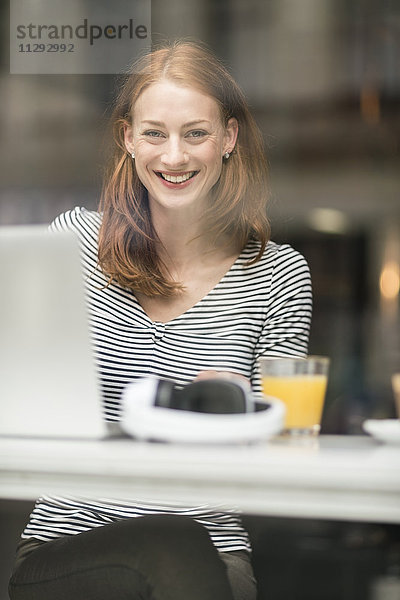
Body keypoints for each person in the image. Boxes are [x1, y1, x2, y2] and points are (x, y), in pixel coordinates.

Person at [9, 40, 312, 600]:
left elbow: (288, 443)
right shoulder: (74, 242)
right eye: (154, 133)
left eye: (195, 133)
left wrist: (242, 408)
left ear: (228, 138)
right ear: (128, 138)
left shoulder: (278, 275)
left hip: (216, 551)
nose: (174, 156)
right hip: (74, 547)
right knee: (173, 547)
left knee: (185, 546)